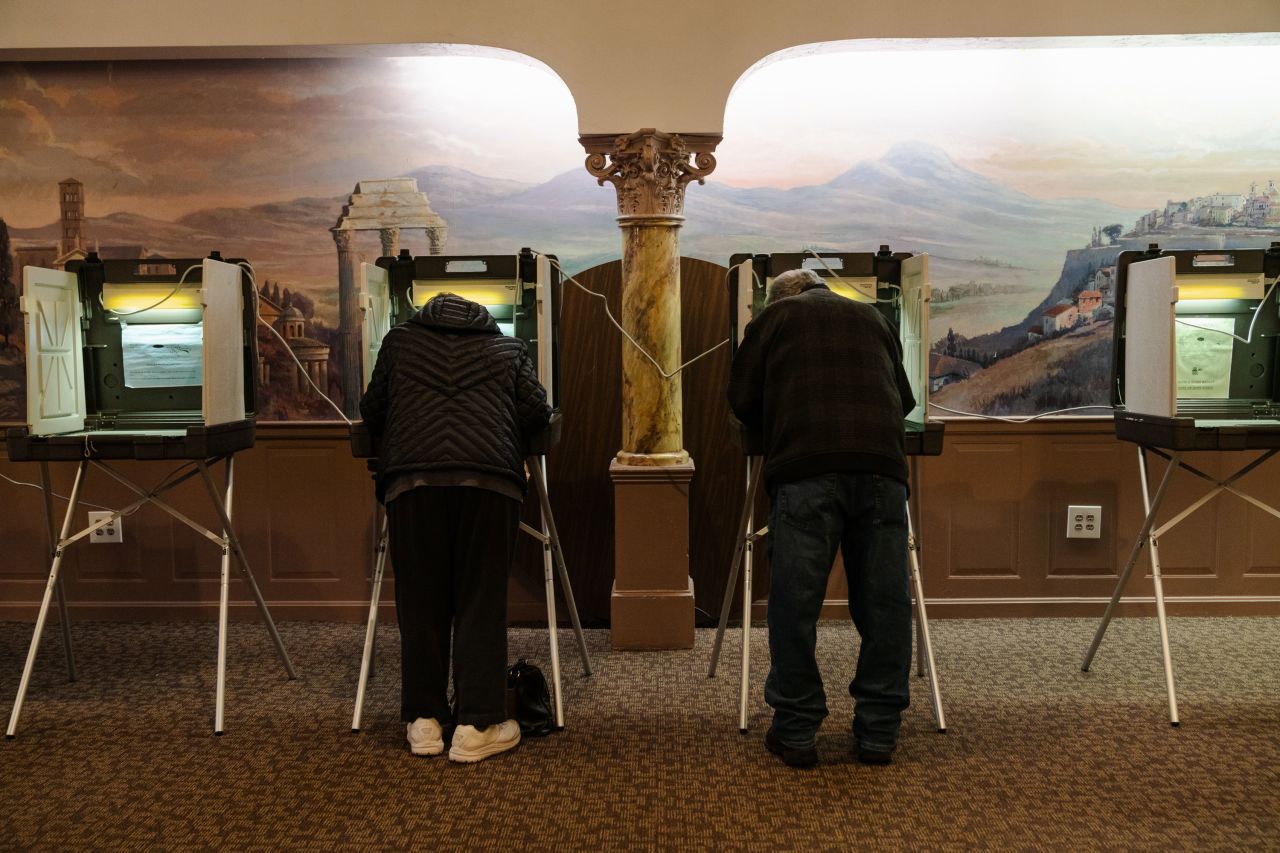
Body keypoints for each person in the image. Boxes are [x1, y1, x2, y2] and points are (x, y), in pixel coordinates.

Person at [727, 267, 916, 769]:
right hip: (881, 471)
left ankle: (797, 731)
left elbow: (742, 401)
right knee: (885, 604)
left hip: (806, 471)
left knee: (796, 604)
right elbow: (907, 398)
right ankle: (878, 733)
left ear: (776, 298)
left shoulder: (773, 320)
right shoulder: (873, 317)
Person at [360, 291, 551, 762]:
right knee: (479, 600)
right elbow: (537, 414)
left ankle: (425, 722)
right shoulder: (508, 348)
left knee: (420, 601)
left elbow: (373, 410)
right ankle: (476, 724)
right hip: (489, 484)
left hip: (413, 484)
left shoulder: (398, 342)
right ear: (487, 319)